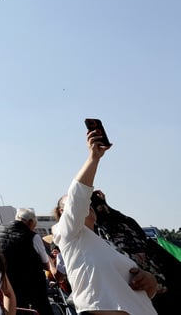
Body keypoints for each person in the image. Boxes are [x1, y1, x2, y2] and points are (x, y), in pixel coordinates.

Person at [51, 128, 158, 315]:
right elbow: (78, 197)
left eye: (90, 200)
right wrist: (94, 158)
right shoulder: (68, 234)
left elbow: (142, 290)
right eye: (73, 205)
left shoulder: (106, 243)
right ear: (63, 213)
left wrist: (150, 281)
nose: (87, 204)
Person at [0, 207, 52, 315]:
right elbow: (46, 264)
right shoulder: (32, 237)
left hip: (6, 284)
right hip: (32, 287)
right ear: (30, 222)